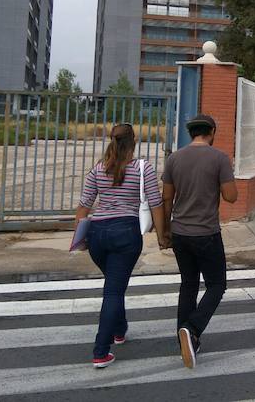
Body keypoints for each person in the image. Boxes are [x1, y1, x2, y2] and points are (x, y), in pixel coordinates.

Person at [75, 123, 170, 369]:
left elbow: (84, 205)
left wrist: (79, 237)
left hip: (98, 235)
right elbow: (156, 203)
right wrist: (162, 236)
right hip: (125, 234)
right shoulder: (142, 168)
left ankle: (119, 329)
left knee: (114, 285)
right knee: (114, 291)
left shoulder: (98, 169)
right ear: (134, 141)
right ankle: (100, 351)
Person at [161, 114, 237, 369]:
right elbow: (231, 197)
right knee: (217, 285)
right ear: (212, 132)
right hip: (206, 233)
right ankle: (191, 329)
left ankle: (184, 339)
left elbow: (166, 199)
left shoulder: (174, 158)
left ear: (190, 133)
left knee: (188, 284)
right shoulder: (219, 158)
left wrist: (164, 232)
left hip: (180, 233)